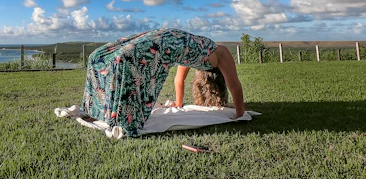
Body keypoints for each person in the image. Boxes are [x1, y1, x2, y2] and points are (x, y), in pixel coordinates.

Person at [82, 28, 244, 137]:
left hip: (170, 37)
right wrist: (240, 113)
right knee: (123, 58)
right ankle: (113, 116)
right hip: (168, 41)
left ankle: (96, 111)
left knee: (98, 57)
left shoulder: (195, 51)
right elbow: (234, 85)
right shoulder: (221, 52)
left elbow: (179, 80)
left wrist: (179, 105)